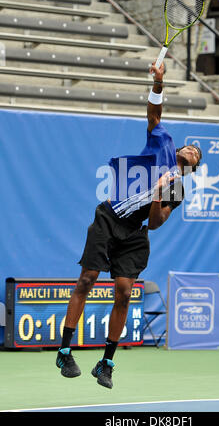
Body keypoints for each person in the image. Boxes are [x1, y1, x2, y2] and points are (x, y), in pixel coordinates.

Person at [56, 60, 202, 389]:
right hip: (108, 217)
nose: (193, 150)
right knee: (87, 279)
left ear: (193, 167)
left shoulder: (178, 188)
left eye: (197, 154)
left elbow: (156, 223)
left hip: (135, 234)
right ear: (179, 149)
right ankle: (64, 351)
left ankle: (106, 362)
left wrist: (158, 195)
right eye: (191, 147)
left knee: (123, 292)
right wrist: (159, 82)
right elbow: (154, 112)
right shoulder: (162, 142)